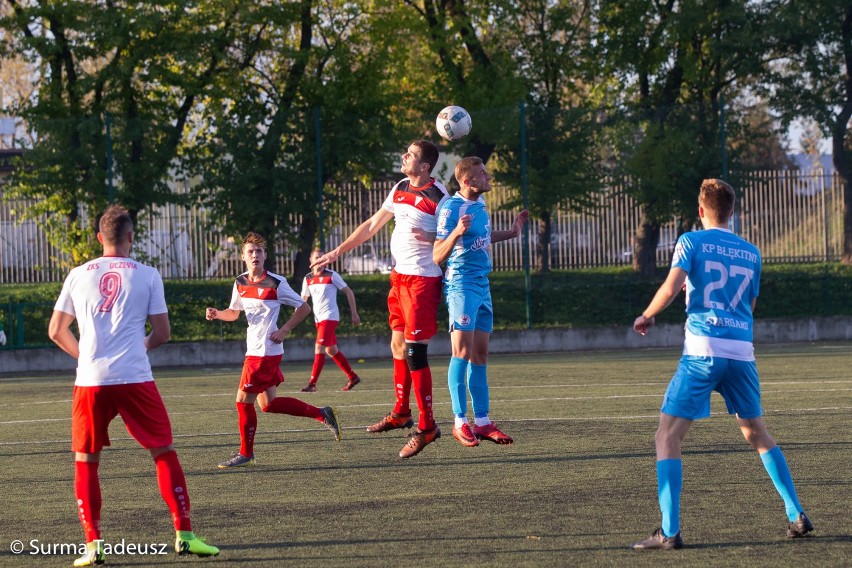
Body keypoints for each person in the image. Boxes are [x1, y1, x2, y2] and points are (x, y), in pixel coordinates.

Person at [630, 179, 813, 550]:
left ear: (701, 211)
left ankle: (669, 531)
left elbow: (670, 287)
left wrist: (647, 315)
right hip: (742, 352)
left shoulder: (691, 241)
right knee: (756, 432)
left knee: (667, 436)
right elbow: (749, 304)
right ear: (732, 212)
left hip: (703, 350)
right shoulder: (751, 251)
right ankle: (796, 513)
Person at [47, 204, 219, 567]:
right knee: (162, 451)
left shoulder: (78, 274)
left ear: (98, 238)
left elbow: (55, 331)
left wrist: (85, 359)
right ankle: (184, 536)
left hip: (91, 380)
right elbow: (163, 333)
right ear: (131, 237)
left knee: (86, 460)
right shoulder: (147, 274)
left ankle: (94, 545)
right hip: (135, 376)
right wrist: (139, 346)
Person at [311, 140, 448, 458]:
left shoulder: (441, 197)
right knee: (398, 346)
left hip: (423, 281)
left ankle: (428, 427)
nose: (405, 157)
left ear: (425, 166)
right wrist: (337, 251)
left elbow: (457, 236)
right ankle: (402, 413)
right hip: (399, 278)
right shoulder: (400, 186)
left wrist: (435, 237)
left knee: (415, 351)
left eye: (411, 155)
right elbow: (372, 225)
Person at [205, 231, 341, 469]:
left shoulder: (276, 282)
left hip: (265, 352)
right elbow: (234, 313)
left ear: (265, 255)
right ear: (243, 256)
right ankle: (322, 413)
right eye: (250, 251)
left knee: (242, 401)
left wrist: (285, 330)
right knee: (268, 404)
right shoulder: (240, 282)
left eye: (259, 251)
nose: (255, 255)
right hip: (255, 350)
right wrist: (217, 314)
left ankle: (246, 453)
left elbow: (303, 308)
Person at [433, 156, 529, 447]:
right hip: (461, 286)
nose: (488, 176)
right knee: (461, 352)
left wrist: (511, 233)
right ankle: (459, 421)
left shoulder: (479, 206)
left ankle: (483, 422)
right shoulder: (451, 208)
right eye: (482, 173)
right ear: (467, 181)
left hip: (483, 285)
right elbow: (437, 255)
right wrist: (456, 232)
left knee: (481, 355)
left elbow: (482, 238)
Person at [299, 247, 362, 392]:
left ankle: (312, 384)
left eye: (322, 258)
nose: (320, 261)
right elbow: (304, 299)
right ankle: (353, 377)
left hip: (330, 317)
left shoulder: (332, 275)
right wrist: (297, 314)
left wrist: (354, 313)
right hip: (318, 319)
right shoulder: (308, 278)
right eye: (317, 258)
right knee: (331, 350)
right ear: (311, 260)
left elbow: (348, 292)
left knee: (319, 347)